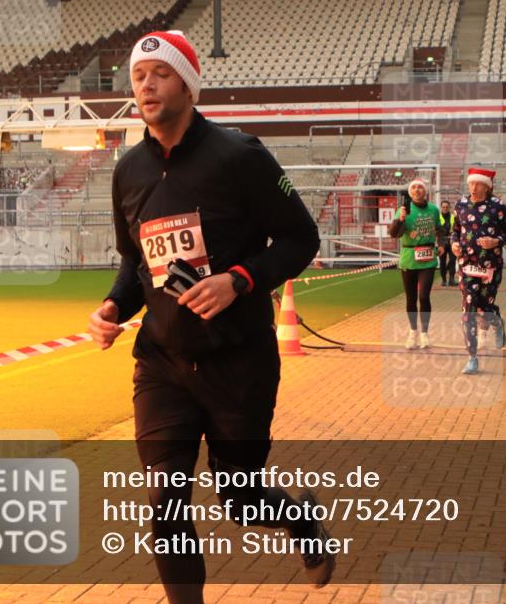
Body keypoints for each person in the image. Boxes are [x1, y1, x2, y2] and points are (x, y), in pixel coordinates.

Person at [87, 30, 332, 603]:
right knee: (164, 504)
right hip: (163, 364)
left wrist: (238, 280)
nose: (146, 84)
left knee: (241, 499)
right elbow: (137, 267)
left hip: (238, 361)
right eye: (138, 76)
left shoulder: (240, 156)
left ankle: (300, 522)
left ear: (189, 84)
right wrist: (113, 306)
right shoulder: (128, 172)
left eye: (160, 73)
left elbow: (301, 238)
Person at [450, 167, 506, 375]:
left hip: (490, 265)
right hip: (467, 265)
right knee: (469, 310)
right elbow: (454, 231)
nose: (473, 187)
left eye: (478, 184)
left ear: (487, 187)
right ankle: (472, 357)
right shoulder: (461, 205)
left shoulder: (497, 206)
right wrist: (454, 244)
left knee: (484, 307)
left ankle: (496, 321)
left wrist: (496, 241)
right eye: (471, 183)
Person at [388, 178, 442, 349]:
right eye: (414, 188)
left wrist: (441, 244)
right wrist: (400, 220)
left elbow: (441, 229)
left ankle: (425, 334)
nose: (417, 190)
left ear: (425, 191)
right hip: (409, 257)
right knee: (411, 298)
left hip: (427, 258)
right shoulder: (403, 210)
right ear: (410, 192)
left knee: (424, 296)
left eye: (420, 187)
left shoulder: (433, 210)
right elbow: (394, 234)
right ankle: (413, 332)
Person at [436, 199, 455, 287]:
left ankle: (451, 279)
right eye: (443, 207)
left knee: (452, 261)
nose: (445, 208)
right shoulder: (437, 218)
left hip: (451, 241)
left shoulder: (453, 217)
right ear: (441, 208)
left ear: (449, 208)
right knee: (442, 262)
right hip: (441, 242)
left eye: (447, 207)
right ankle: (444, 280)